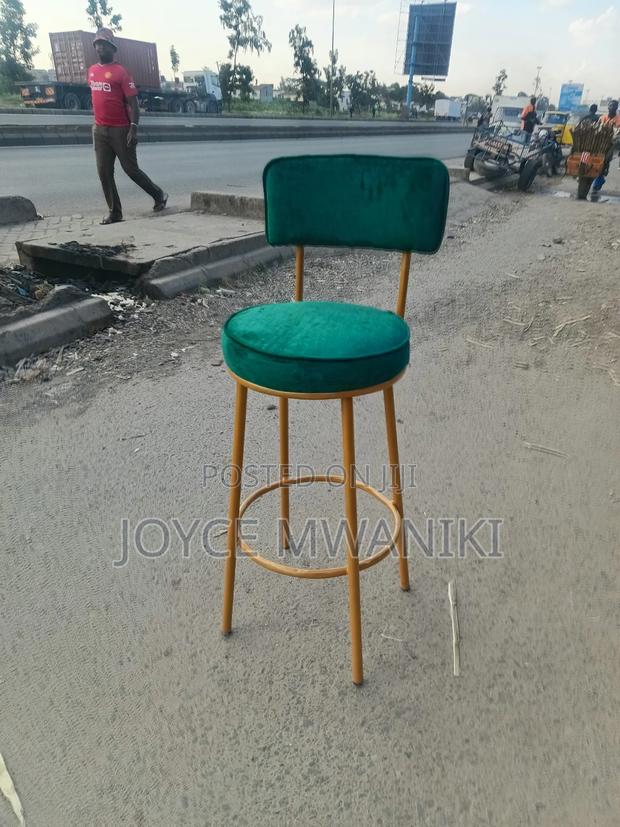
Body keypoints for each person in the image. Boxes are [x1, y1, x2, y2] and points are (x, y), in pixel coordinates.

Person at [88, 28, 168, 224]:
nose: (99, 48)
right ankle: (115, 212)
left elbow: (134, 103)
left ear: (112, 48)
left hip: (121, 129)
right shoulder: (92, 71)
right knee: (104, 172)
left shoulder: (121, 72)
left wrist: (133, 128)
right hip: (100, 130)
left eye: (103, 44)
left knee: (130, 169)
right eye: (97, 44)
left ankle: (158, 195)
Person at [592, 100, 620, 194]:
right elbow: (596, 129)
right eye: (610, 106)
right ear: (608, 107)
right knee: (594, 161)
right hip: (598, 144)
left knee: (604, 162)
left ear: (616, 108)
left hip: (610, 145)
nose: (611, 108)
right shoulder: (602, 117)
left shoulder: (619, 119)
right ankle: (596, 179)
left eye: (613, 106)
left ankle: (599, 180)